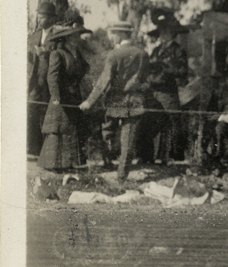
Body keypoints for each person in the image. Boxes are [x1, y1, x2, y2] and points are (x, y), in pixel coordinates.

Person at [80, 21, 153, 181]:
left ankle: (109, 159)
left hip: (116, 101)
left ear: (121, 34)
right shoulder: (143, 54)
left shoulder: (114, 55)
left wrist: (90, 101)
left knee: (107, 131)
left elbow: (103, 81)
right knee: (128, 140)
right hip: (135, 102)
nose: (111, 37)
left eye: (113, 34)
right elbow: (147, 81)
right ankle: (122, 176)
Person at [38, 22, 93, 177]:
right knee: (57, 129)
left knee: (70, 129)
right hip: (60, 98)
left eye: (77, 35)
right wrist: (55, 96)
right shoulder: (58, 53)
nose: (77, 38)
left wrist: (77, 79)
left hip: (73, 96)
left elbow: (85, 68)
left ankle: (67, 164)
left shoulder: (76, 53)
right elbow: (52, 76)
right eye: (74, 36)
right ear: (67, 38)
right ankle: (52, 164)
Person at [146, 12, 190, 165]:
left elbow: (183, 71)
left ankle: (173, 158)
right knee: (151, 122)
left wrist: (167, 70)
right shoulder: (156, 50)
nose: (163, 35)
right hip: (154, 92)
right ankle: (150, 157)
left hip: (169, 93)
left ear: (172, 33)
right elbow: (148, 68)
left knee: (172, 124)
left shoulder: (178, 51)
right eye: (161, 32)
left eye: (165, 31)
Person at [28, 1, 59, 157]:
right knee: (32, 108)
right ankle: (34, 149)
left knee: (47, 113)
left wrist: (45, 52)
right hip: (36, 81)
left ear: (51, 18)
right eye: (38, 17)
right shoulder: (35, 35)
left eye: (43, 17)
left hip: (50, 80)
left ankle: (46, 152)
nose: (40, 20)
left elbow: (60, 54)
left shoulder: (58, 35)